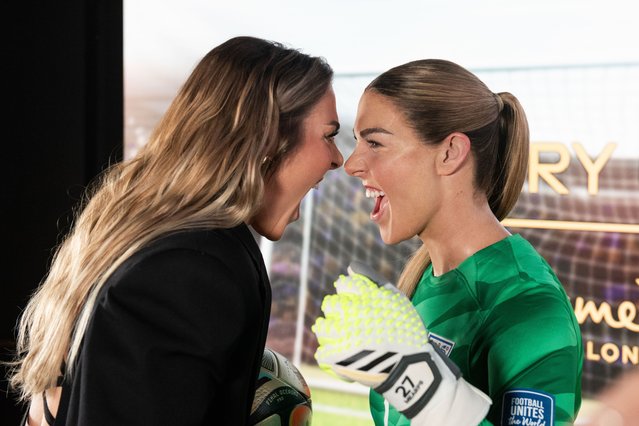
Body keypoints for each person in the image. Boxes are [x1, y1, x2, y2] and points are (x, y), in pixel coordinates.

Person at [8, 35, 343, 425]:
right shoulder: (190, 270)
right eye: (329, 134)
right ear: (270, 137)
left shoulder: (162, 246)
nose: (337, 158)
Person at [313, 59, 583, 425]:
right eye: (359, 141)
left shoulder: (529, 308)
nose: (352, 164)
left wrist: (428, 393)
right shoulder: (426, 279)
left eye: (375, 142)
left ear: (450, 152)